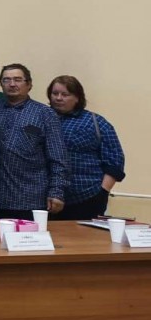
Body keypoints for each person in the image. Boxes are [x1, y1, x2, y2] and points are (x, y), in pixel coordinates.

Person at [0, 63, 69, 220]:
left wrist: (57, 192)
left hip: (32, 197)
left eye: (17, 79)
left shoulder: (45, 113)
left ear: (29, 84)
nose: (12, 84)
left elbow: (58, 157)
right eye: (6, 80)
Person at [47, 75, 126, 220]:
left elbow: (115, 160)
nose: (58, 98)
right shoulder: (42, 118)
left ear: (77, 97)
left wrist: (103, 192)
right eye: (55, 93)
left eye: (65, 94)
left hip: (87, 196)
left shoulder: (96, 122)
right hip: (46, 197)